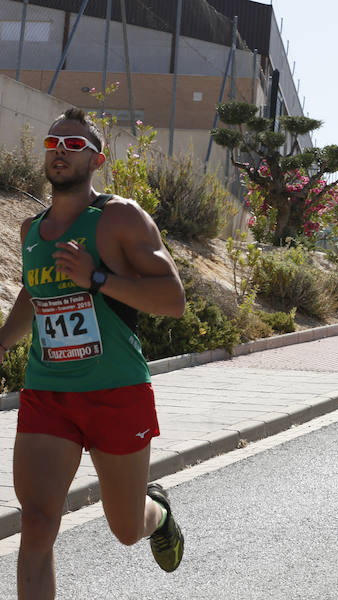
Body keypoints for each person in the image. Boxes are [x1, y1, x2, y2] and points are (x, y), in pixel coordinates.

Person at [0, 108, 187, 596]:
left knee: (126, 528)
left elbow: (173, 300)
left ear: (97, 160)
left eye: (75, 145)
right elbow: (33, 294)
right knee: (37, 523)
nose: (60, 151)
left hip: (117, 390)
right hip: (48, 393)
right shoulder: (30, 230)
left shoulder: (118, 217)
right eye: (53, 143)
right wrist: (2, 342)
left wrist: (97, 277)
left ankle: (158, 513)